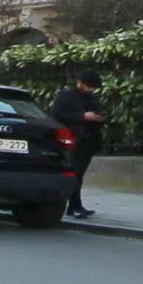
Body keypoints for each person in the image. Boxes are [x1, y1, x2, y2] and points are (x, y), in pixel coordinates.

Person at [50, 79, 107, 220]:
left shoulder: (91, 98)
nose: (91, 90)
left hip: (89, 140)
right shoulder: (66, 95)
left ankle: (75, 205)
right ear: (80, 83)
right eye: (90, 86)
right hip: (72, 140)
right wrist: (82, 117)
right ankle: (74, 205)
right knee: (74, 173)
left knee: (79, 174)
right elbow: (57, 115)